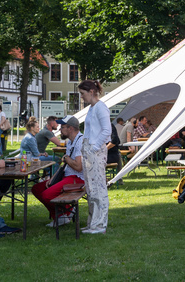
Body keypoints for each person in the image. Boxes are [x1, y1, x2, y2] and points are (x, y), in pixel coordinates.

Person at [32, 116, 85, 227]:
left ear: (70, 128)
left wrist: (66, 159)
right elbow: (65, 164)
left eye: (62, 127)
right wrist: (54, 177)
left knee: (47, 195)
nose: (60, 129)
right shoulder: (70, 141)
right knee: (37, 189)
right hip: (67, 176)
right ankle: (62, 214)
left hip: (77, 178)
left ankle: (63, 215)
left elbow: (79, 166)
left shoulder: (80, 142)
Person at [79, 79, 111, 234]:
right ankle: (93, 222)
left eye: (82, 93)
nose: (81, 97)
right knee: (91, 189)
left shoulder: (100, 108)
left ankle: (100, 224)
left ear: (91, 92)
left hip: (95, 152)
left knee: (98, 188)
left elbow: (107, 130)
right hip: (89, 151)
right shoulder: (92, 108)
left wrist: (94, 147)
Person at [106, 118, 124, 183]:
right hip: (108, 155)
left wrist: (103, 150)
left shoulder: (110, 126)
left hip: (110, 155)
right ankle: (118, 178)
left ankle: (106, 180)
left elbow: (114, 141)